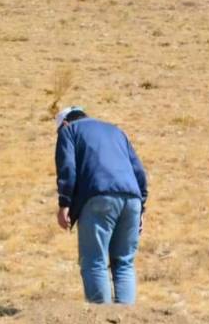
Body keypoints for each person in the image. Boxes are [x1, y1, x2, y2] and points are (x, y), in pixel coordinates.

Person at [54, 106, 148, 304]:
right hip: (132, 199)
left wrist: (64, 203)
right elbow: (139, 172)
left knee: (94, 260)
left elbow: (68, 169)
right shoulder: (116, 131)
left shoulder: (69, 131)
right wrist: (141, 209)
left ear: (64, 123)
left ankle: (101, 321)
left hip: (97, 197)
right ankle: (125, 320)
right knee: (124, 263)